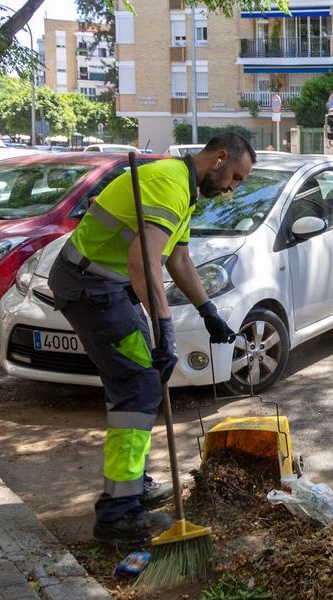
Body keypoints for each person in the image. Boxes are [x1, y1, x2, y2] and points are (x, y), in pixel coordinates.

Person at [47, 133, 256, 545]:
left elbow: (177, 258)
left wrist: (207, 310)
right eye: (235, 176)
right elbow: (141, 262)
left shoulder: (186, 190)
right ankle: (118, 515)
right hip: (90, 285)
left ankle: (132, 485)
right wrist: (165, 330)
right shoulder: (170, 182)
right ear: (218, 159)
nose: (234, 187)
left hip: (111, 286)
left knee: (139, 381)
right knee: (139, 386)